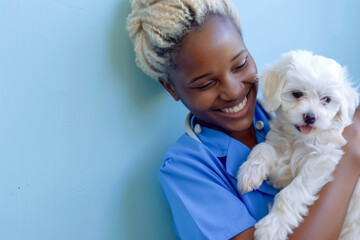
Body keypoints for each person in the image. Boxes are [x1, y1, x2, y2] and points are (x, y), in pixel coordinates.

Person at [126, 0, 360, 239]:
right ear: (171, 88)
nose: (233, 90)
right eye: (206, 83)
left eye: (240, 65)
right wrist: (351, 147)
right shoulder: (187, 170)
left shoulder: (281, 109)